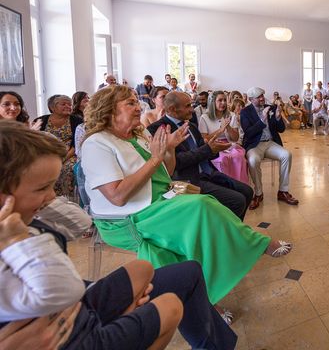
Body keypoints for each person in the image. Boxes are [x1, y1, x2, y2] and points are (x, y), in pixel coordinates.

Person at [0, 120, 239, 350]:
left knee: (150, 269)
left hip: (72, 303)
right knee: (171, 304)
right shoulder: (17, 236)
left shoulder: (27, 220)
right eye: (42, 188)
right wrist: (16, 240)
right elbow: (59, 289)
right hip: (70, 332)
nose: (52, 195)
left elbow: (80, 222)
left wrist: (38, 206)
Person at [80, 85, 292, 307]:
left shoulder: (138, 135)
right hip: (128, 217)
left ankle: (207, 296)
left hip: (161, 200)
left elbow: (167, 172)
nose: (138, 107)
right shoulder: (97, 143)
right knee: (201, 207)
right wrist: (155, 159)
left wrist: (169, 149)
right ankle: (254, 244)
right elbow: (117, 197)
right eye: (130, 103)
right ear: (109, 110)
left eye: (136, 101)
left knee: (201, 216)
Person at [149, 91, 252, 220]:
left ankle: (233, 230)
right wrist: (209, 149)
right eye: (187, 106)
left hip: (208, 172)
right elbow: (178, 162)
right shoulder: (158, 129)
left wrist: (214, 148)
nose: (192, 109)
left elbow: (202, 151)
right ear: (172, 109)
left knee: (247, 191)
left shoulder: (190, 125)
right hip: (187, 179)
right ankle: (226, 232)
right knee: (238, 201)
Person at [240, 87, 298, 209]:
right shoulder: (245, 112)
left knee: (286, 155)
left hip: (270, 143)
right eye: (258, 97)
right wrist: (262, 120)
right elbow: (248, 132)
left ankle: (283, 191)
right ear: (251, 99)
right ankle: (258, 193)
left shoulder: (270, 108)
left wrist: (277, 117)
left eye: (262, 95)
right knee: (253, 160)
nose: (262, 98)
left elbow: (280, 129)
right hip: (254, 145)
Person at [197, 91, 251, 186]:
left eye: (225, 100)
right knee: (223, 159)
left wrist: (228, 127)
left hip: (229, 144)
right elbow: (203, 139)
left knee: (238, 157)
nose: (223, 103)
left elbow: (235, 138)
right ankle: (226, 186)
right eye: (220, 100)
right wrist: (220, 130)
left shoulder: (231, 115)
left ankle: (240, 185)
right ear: (212, 102)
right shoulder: (204, 117)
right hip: (213, 146)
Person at [36, 95, 83, 198]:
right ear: (53, 107)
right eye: (63, 104)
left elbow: (76, 145)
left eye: (69, 104)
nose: (68, 106)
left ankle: (68, 198)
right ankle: (47, 199)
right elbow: (35, 141)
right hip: (46, 154)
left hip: (69, 154)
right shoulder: (41, 120)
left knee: (67, 169)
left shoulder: (77, 121)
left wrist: (63, 158)